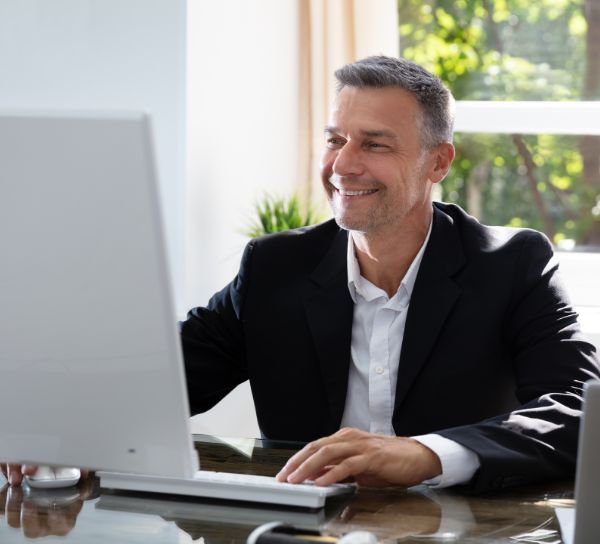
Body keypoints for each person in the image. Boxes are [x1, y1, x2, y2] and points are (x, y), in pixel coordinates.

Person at [3, 56, 599, 491]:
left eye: (374, 144)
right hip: (296, 540)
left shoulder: (513, 263)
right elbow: (164, 377)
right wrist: (64, 433)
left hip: (460, 540)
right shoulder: (273, 267)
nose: (343, 164)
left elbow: (579, 410)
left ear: (437, 161)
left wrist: (427, 454)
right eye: (335, 139)